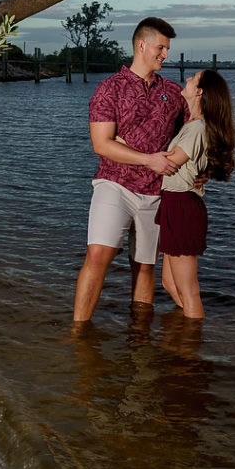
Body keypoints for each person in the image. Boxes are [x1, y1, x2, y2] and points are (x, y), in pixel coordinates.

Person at [73, 17, 186, 323]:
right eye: (161, 47)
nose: (165, 54)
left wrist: (193, 166)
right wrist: (149, 158)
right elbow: (101, 144)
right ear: (142, 45)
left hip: (155, 192)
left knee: (144, 266)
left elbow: (195, 131)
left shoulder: (174, 93)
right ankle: (78, 334)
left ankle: (139, 340)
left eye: (167, 48)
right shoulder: (110, 88)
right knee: (98, 256)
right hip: (114, 185)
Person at [157, 69, 235, 319]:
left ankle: (191, 350)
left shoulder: (196, 128)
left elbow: (169, 163)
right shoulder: (190, 124)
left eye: (193, 78)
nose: (188, 79)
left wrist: (124, 147)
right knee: (169, 284)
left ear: (199, 92)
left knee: (188, 289)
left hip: (182, 206)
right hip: (173, 203)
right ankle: (185, 340)